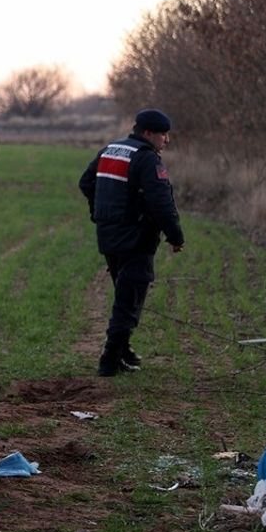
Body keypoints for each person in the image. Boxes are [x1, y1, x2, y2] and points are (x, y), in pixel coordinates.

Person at [78, 108, 184, 377]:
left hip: (109, 237)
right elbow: (161, 203)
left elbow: (86, 182)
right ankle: (109, 361)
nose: (166, 140)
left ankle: (124, 352)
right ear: (148, 133)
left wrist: (99, 212)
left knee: (125, 296)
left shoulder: (111, 150)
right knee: (128, 303)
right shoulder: (147, 159)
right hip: (137, 240)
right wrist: (175, 236)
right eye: (163, 134)